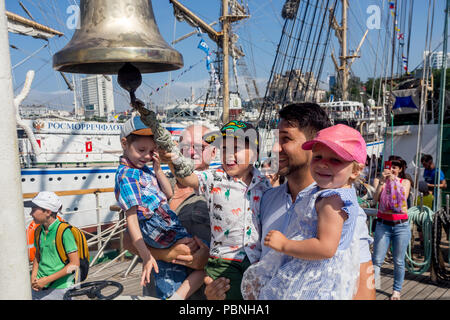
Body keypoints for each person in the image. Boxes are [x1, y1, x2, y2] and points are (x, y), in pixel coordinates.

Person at [204, 103, 375, 300]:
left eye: (286, 139)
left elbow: (363, 287)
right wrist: (215, 287)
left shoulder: (340, 207)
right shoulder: (265, 199)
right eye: (276, 139)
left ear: (316, 145)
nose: (275, 148)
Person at [241, 124, 366, 299]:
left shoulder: (332, 200)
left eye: (335, 160)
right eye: (318, 157)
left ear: (356, 170)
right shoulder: (335, 194)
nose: (323, 164)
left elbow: (326, 248)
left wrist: (284, 245)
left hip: (316, 278)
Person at [162, 120, 272, 300]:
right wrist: (172, 159)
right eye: (225, 149)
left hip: (257, 261)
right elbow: (189, 178)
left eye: (236, 148)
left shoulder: (264, 184)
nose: (229, 155)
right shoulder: (214, 177)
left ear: (255, 154)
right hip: (225, 261)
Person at [114, 116, 204, 300]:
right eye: (185, 147)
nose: (192, 153)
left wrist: (157, 170)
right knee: (168, 280)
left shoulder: (220, 190)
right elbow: (128, 240)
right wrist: (164, 254)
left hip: (201, 293)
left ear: (214, 151)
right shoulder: (132, 175)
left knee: (191, 273)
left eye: (200, 147)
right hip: (163, 235)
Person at [27, 191, 79, 300]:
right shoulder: (38, 231)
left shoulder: (64, 232)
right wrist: (33, 276)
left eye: (34, 210)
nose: (30, 214)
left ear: (48, 212)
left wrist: (47, 280)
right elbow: (38, 255)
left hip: (61, 288)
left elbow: (74, 264)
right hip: (39, 287)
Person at [372, 155, 411, 300]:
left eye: (394, 167)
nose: (391, 170)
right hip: (383, 224)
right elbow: (375, 200)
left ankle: (396, 291)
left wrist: (394, 180)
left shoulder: (405, 182)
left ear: (400, 169)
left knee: (399, 261)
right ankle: (372, 289)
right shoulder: (378, 180)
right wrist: (382, 182)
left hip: (401, 226)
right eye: (389, 166)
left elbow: (403, 198)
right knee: (377, 260)